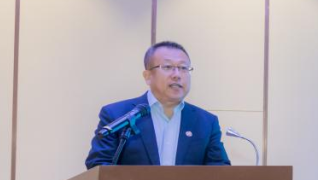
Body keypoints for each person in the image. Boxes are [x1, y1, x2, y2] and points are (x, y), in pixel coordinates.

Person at [85, 41, 231, 168]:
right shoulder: (117, 114)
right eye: (167, 67)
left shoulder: (206, 122)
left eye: (183, 68)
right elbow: (98, 165)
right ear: (148, 76)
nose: (177, 75)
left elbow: (220, 171)